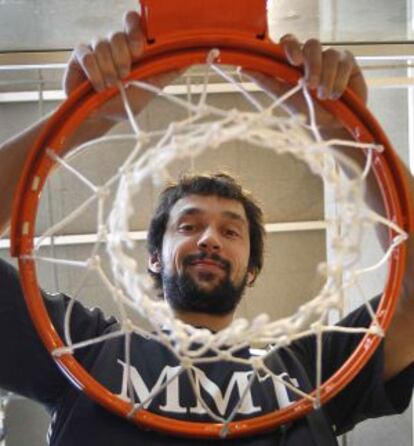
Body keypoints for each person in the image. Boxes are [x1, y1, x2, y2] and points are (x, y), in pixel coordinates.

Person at [1, 10, 414, 446]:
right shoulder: (86, 349)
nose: (209, 238)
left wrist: (347, 139)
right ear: (156, 258)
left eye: (231, 231)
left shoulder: (308, 370)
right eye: (189, 225)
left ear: (251, 269)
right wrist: (86, 121)